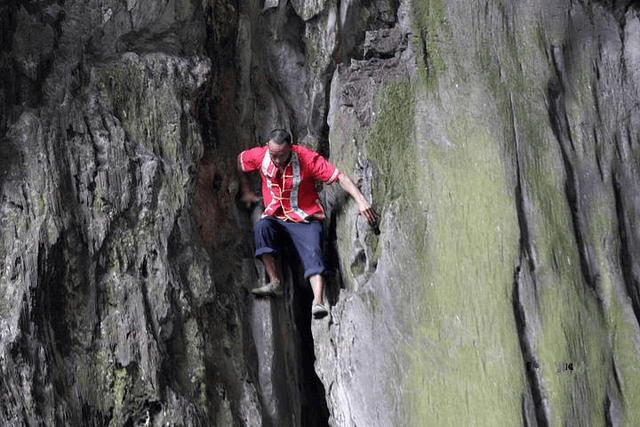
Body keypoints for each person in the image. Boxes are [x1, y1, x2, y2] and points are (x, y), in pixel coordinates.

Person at [237, 128, 378, 318]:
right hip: (276, 216)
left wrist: (361, 201)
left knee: (313, 250)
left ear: (291, 149)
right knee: (261, 229)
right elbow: (241, 161)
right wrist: (246, 190)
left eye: (281, 155)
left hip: (305, 217)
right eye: (273, 155)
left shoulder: (306, 159)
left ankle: (318, 302)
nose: (277, 160)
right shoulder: (261, 156)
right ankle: (275, 282)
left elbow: (339, 177)